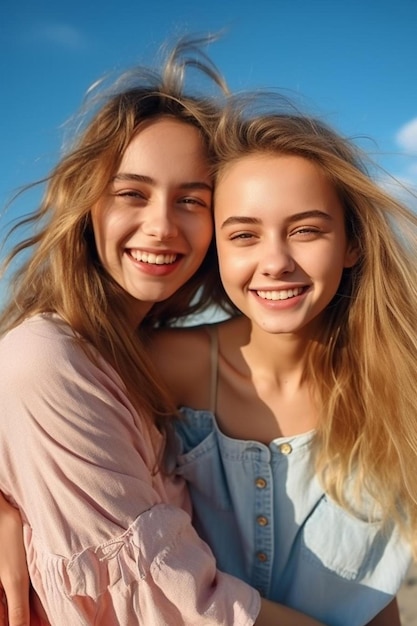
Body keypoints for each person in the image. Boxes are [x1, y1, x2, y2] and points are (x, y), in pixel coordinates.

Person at [0, 38, 326, 626]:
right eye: (132, 193)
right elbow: (175, 604)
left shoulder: (137, 359)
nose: (161, 226)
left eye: (191, 201)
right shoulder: (49, 359)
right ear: (86, 203)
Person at [148, 107, 417, 625]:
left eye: (306, 231)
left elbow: (376, 591)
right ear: (217, 251)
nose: (275, 261)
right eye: (244, 235)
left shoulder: (396, 385)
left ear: (352, 244)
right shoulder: (166, 364)